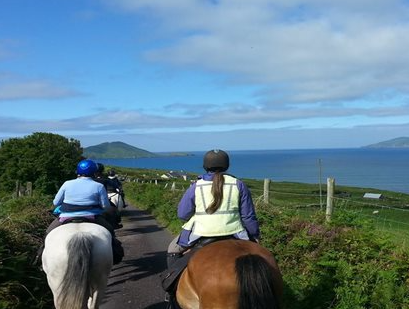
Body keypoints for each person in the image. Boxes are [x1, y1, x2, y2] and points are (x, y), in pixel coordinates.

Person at [166, 149, 260, 267]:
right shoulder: (238, 184)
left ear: (205, 166)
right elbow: (248, 216)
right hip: (234, 232)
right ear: (227, 166)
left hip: (201, 233)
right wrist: (254, 236)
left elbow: (182, 214)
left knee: (172, 250)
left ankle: (173, 283)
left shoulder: (196, 186)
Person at [36, 159, 124, 266]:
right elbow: (105, 206)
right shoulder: (99, 186)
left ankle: (39, 257)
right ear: (94, 172)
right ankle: (115, 254)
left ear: (77, 171)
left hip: (65, 217)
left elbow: (56, 202)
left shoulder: (67, 183)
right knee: (110, 232)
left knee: (47, 234)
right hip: (92, 217)